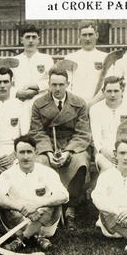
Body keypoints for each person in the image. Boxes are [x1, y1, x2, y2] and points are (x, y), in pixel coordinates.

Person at [29, 66, 92, 230]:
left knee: (80, 160)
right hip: (48, 144)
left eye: (61, 85)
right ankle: (48, 204)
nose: (57, 89)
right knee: (40, 162)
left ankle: (71, 206)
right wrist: (48, 152)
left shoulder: (79, 103)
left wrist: (69, 151)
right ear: (49, 84)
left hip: (72, 144)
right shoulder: (38, 103)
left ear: (68, 84)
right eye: (54, 85)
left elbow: (83, 132)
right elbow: (36, 131)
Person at [0, 135, 69, 252]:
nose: (26, 157)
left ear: (36, 153)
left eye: (29, 152)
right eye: (22, 152)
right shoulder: (8, 174)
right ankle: (36, 237)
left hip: (44, 223)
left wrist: (37, 205)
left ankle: (20, 240)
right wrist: (22, 208)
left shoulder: (47, 172)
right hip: (17, 223)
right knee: (2, 201)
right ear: (15, 154)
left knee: (54, 200)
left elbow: (64, 195)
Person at [89, 76, 127, 172]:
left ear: (122, 91)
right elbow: (96, 137)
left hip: (126, 150)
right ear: (103, 92)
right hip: (104, 151)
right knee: (108, 168)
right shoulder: (95, 109)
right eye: (109, 91)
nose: (112, 95)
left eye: (116, 91)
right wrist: (106, 152)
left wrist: (122, 152)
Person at [66, 20, 107, 105]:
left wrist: (92, 103)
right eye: (84, 35)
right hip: (75, 104)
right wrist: (78, 103)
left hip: (99, 104)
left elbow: (107, 85)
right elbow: (67, 84)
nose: (87, 38)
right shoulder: (70, 57)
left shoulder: (105, 57)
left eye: (90, 34)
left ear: (97, 35)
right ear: (79, 36)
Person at [12, 24, 55, 104]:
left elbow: (51, 81)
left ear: (38, 40)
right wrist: (17, 92)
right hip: (19, 102)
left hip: (41, 102)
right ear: (22, 40)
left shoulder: (46, 59)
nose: (31, 40)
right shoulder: (14, 60)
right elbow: (9, 83)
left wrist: (35, 85)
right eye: (28, 37)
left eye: (34, 37)